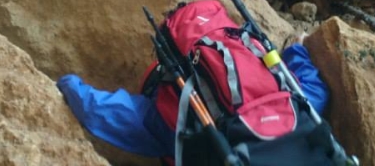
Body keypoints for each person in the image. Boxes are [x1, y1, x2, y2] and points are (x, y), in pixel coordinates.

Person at [56, 39, 329, 160]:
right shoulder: (189, 141)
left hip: (235, 57)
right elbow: (100, 110)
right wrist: (69, 85)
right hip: (216, 85)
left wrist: (296, 48)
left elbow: (314, 90)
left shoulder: (301, 114)